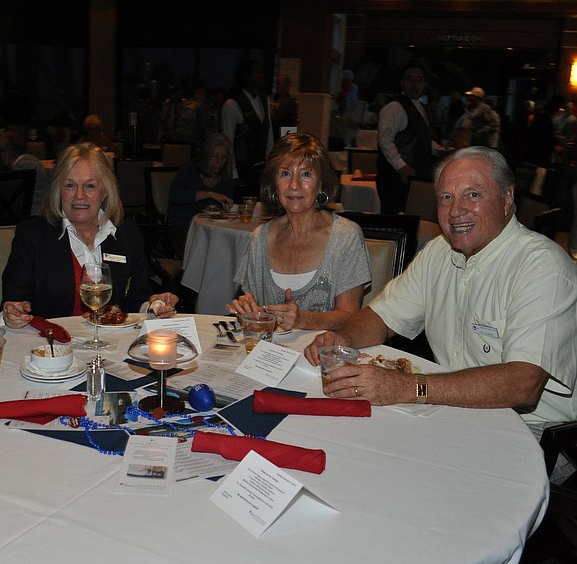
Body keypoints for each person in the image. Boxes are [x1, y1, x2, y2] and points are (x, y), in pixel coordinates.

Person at [304, 147, 577, 472]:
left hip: (537, 436)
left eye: (472, 194)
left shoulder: (542, 266)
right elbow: (381, 316)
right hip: (456, 410)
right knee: (350, 451)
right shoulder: (438, 253)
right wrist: (341, 337)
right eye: (446, 198)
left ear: (507, 199)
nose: (456, 210)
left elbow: (523, 384)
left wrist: (406, 387)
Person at [0, 143, 178, 328]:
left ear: (105, 192)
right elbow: (13, 303)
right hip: (53, 347)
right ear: (59, 190)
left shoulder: (127, 234)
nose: (79, 195)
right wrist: (13, 314)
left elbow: (136, 299)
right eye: (70, 185)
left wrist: (155, 306)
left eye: (90, 186)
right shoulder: (32, 236)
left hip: (112, 345)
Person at [227, 133, 371, 331]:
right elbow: (253, 308)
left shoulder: (346, 237)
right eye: (285, 174)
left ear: (320, 184)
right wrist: (247, 308)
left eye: (306, 174)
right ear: (274, 185)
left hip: (324, 356)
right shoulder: (260, 238)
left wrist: (301, 319)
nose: (294, 185)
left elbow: (350, 317)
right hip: (271, 354)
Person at [376, 62, 446, 215]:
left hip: (415, 176)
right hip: (396, 178)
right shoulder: (395, 107)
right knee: (395, 221)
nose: (414, 84)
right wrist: (401, 166)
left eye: (418, 80)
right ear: (402, 83)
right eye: (409, 79)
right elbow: (385, 141)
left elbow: (420, 137)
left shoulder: (421, 108)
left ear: (425, 84)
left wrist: (438, 149)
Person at [167, 133, 236, 257]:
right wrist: (209, 194)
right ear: (206, 155)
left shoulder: (225, 180)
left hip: (212, 230)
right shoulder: (189, 170)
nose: (219, 162)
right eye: (214, 156)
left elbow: (225, 208)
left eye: (223, 157)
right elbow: (175, 195)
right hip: (184, 227)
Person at [221, 60, 274, 199]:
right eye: (258, 72)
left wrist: (271, 163)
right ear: (247, 76)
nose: (262, 75)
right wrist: (233, 174)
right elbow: (227, 142)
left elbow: (268, 134)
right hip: (241, 169)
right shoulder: (232, 104)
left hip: (261, 168)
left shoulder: (265, 100)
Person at [0, 129, 50, 215]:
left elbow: (10, 196)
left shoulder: (26, 164)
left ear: (11, 150)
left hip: (34, 214)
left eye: (1, 150)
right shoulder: (27, 162)